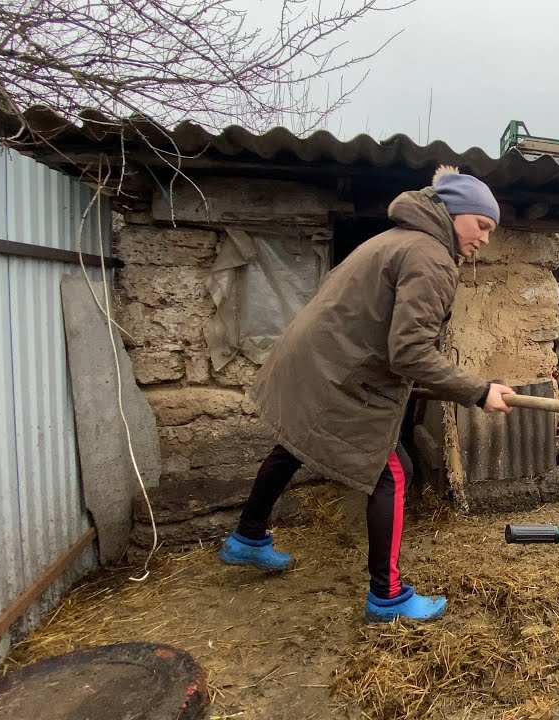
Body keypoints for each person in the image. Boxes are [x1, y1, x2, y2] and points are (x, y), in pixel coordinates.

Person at [219, 166, 515, 623]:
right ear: (455, 212)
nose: (485, 240)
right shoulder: (430, 256)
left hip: (312, 361)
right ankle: (388, 595)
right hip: (339, 372)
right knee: (394, 473)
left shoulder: (396, 238)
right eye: (482, 225)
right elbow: (410, 353)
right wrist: (478, 390)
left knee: (295, 442)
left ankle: (247, 538)